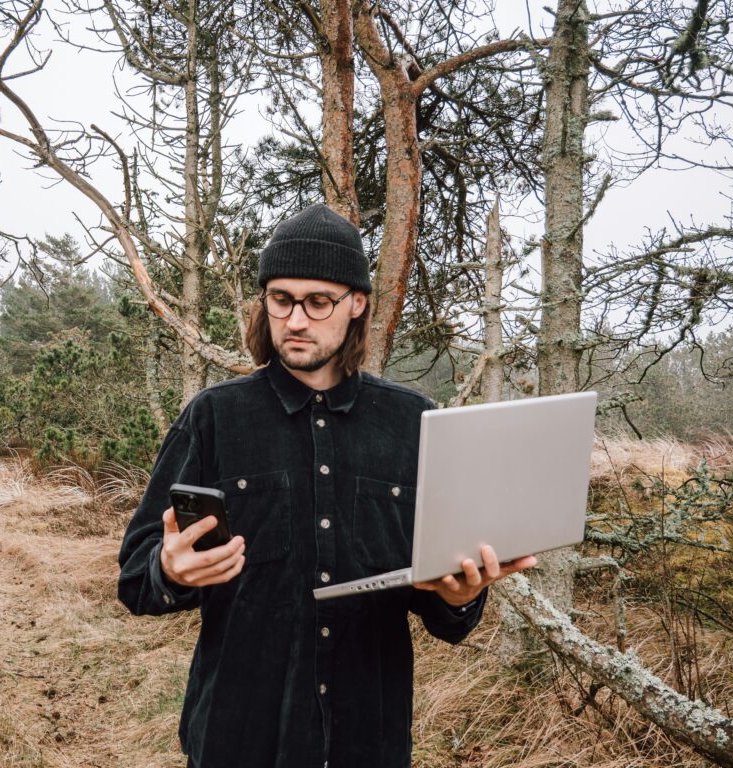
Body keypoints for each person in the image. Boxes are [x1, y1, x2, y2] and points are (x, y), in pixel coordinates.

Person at [118, 203, 536, 768]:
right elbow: (135, 577)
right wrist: (169, 571)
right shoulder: (214, 417)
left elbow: (442, 602)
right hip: (237, 738)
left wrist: (461, 598)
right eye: (281, 299)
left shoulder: (413, 425)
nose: (295, 320)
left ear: (357, 304)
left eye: (319, 302)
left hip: (368, 738)